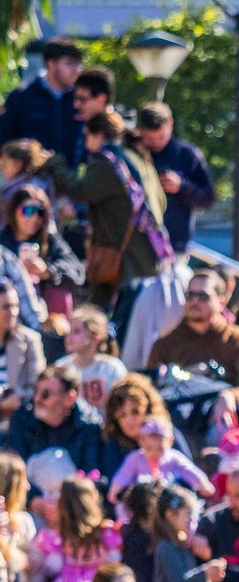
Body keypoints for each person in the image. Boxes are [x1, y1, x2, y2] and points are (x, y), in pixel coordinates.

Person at [46, 109, 172, 307]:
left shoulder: (109, 162)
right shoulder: (136, 155)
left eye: (87, 135)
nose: (86, 143)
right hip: (146, 253)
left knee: (116, 315)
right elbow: (162, 201)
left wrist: (56, 163)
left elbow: (80, 189)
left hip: (125, 258)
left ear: (99, 135)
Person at [145, 269, 239, 405]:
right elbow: (148, 392)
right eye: (190, 295)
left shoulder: (237, 339)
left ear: (221, 302)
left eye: (203, 296)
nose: (194, 301)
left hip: (222, 416)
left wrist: (227, 396)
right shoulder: (164, 345)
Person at [134, 102, 215, 257]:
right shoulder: (133, 153)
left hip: (173, 246)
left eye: (161, 137)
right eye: (150, 138)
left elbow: (207, 198)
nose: (156, 142)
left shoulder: (187, 154)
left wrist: (182, 186)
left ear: (170, 124)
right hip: (138, 245)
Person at [151, 485, 225, 582]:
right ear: (171, 515)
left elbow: (193, 580)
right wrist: (205, 573)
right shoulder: (166, 547)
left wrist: (207, 562)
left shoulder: (185, 545)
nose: (193, 520)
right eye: (188, 515)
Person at [3, 184, 82, 317]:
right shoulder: (2, 242)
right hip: (9, 315)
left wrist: (47, 272)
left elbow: (77, 270)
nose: (34, 218)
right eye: (28, 211)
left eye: (40, 212)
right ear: (14, 211)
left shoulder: (50, 241)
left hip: (46, 316)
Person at [2, 362, 98, 472]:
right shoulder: (22, 418)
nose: (37, 399)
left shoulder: (89, 426)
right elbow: (13, 472)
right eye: (36, 391)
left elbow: (93, 476)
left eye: (45, 394)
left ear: (69, 398)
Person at [0, 39, 83, 162]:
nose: (76, 69)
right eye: (69, 63)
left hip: (70, 176)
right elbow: (4, 138)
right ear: (51, 63)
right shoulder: (22, 96)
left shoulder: (81, 98)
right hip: (32, 176)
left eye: (78, 64)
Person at [93, 373, 185, 482]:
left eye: (135, 412)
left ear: (149, 410)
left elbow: (188, 477)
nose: (129, 421)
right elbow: (114, 485)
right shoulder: (112, 444)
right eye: (122, 415)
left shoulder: (167, 434)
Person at [107, 415, 212, 507]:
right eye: (149, 448)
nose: (154, 453)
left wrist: (202, 484)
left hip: (168, 503)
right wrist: (116, 489)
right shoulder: (136, 458)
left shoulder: (174, 457)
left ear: (170, 441)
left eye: (160, 449)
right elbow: (124, 475)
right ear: (141, 441)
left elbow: (189, 470)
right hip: (143, 502)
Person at [55, 304, 123, 411]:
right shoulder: (61, 367)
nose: (69, 337)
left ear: (95, 336)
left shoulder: (112, 369)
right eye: (68, 331)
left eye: (76, 331)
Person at [0, 279, 45, 422]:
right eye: (6, 307)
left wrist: (13, 399)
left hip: (18, 420)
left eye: (16, 306)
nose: (13, 312)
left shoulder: (30, 340)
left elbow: (39, 387)